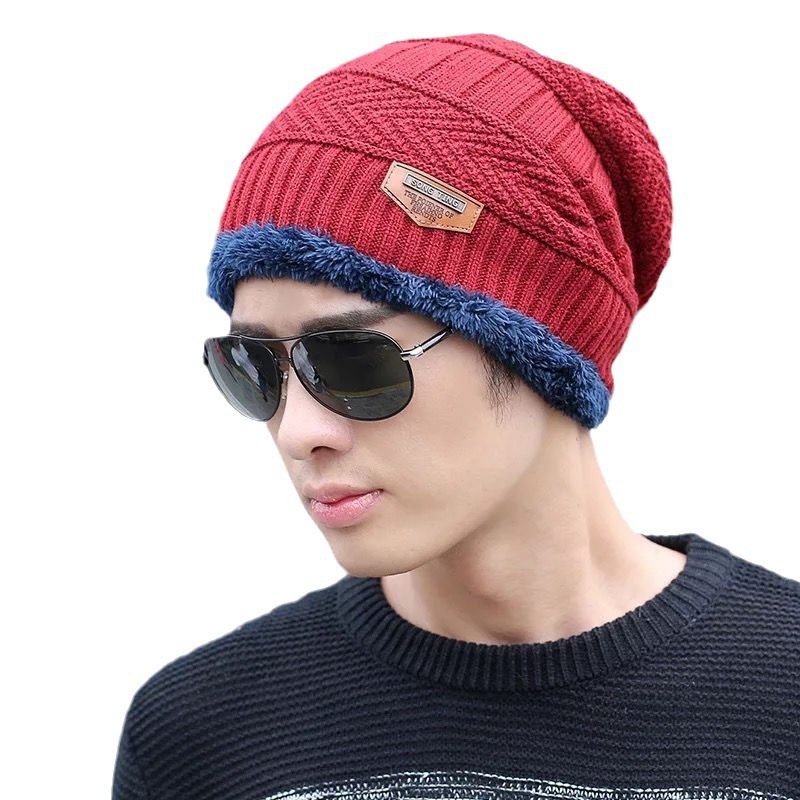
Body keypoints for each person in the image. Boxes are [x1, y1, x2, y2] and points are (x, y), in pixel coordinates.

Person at [112, 32, 800, 799]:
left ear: (536, 345)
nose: (299, 431)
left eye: (353, 360)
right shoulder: (200, 738)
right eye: (253, 367)